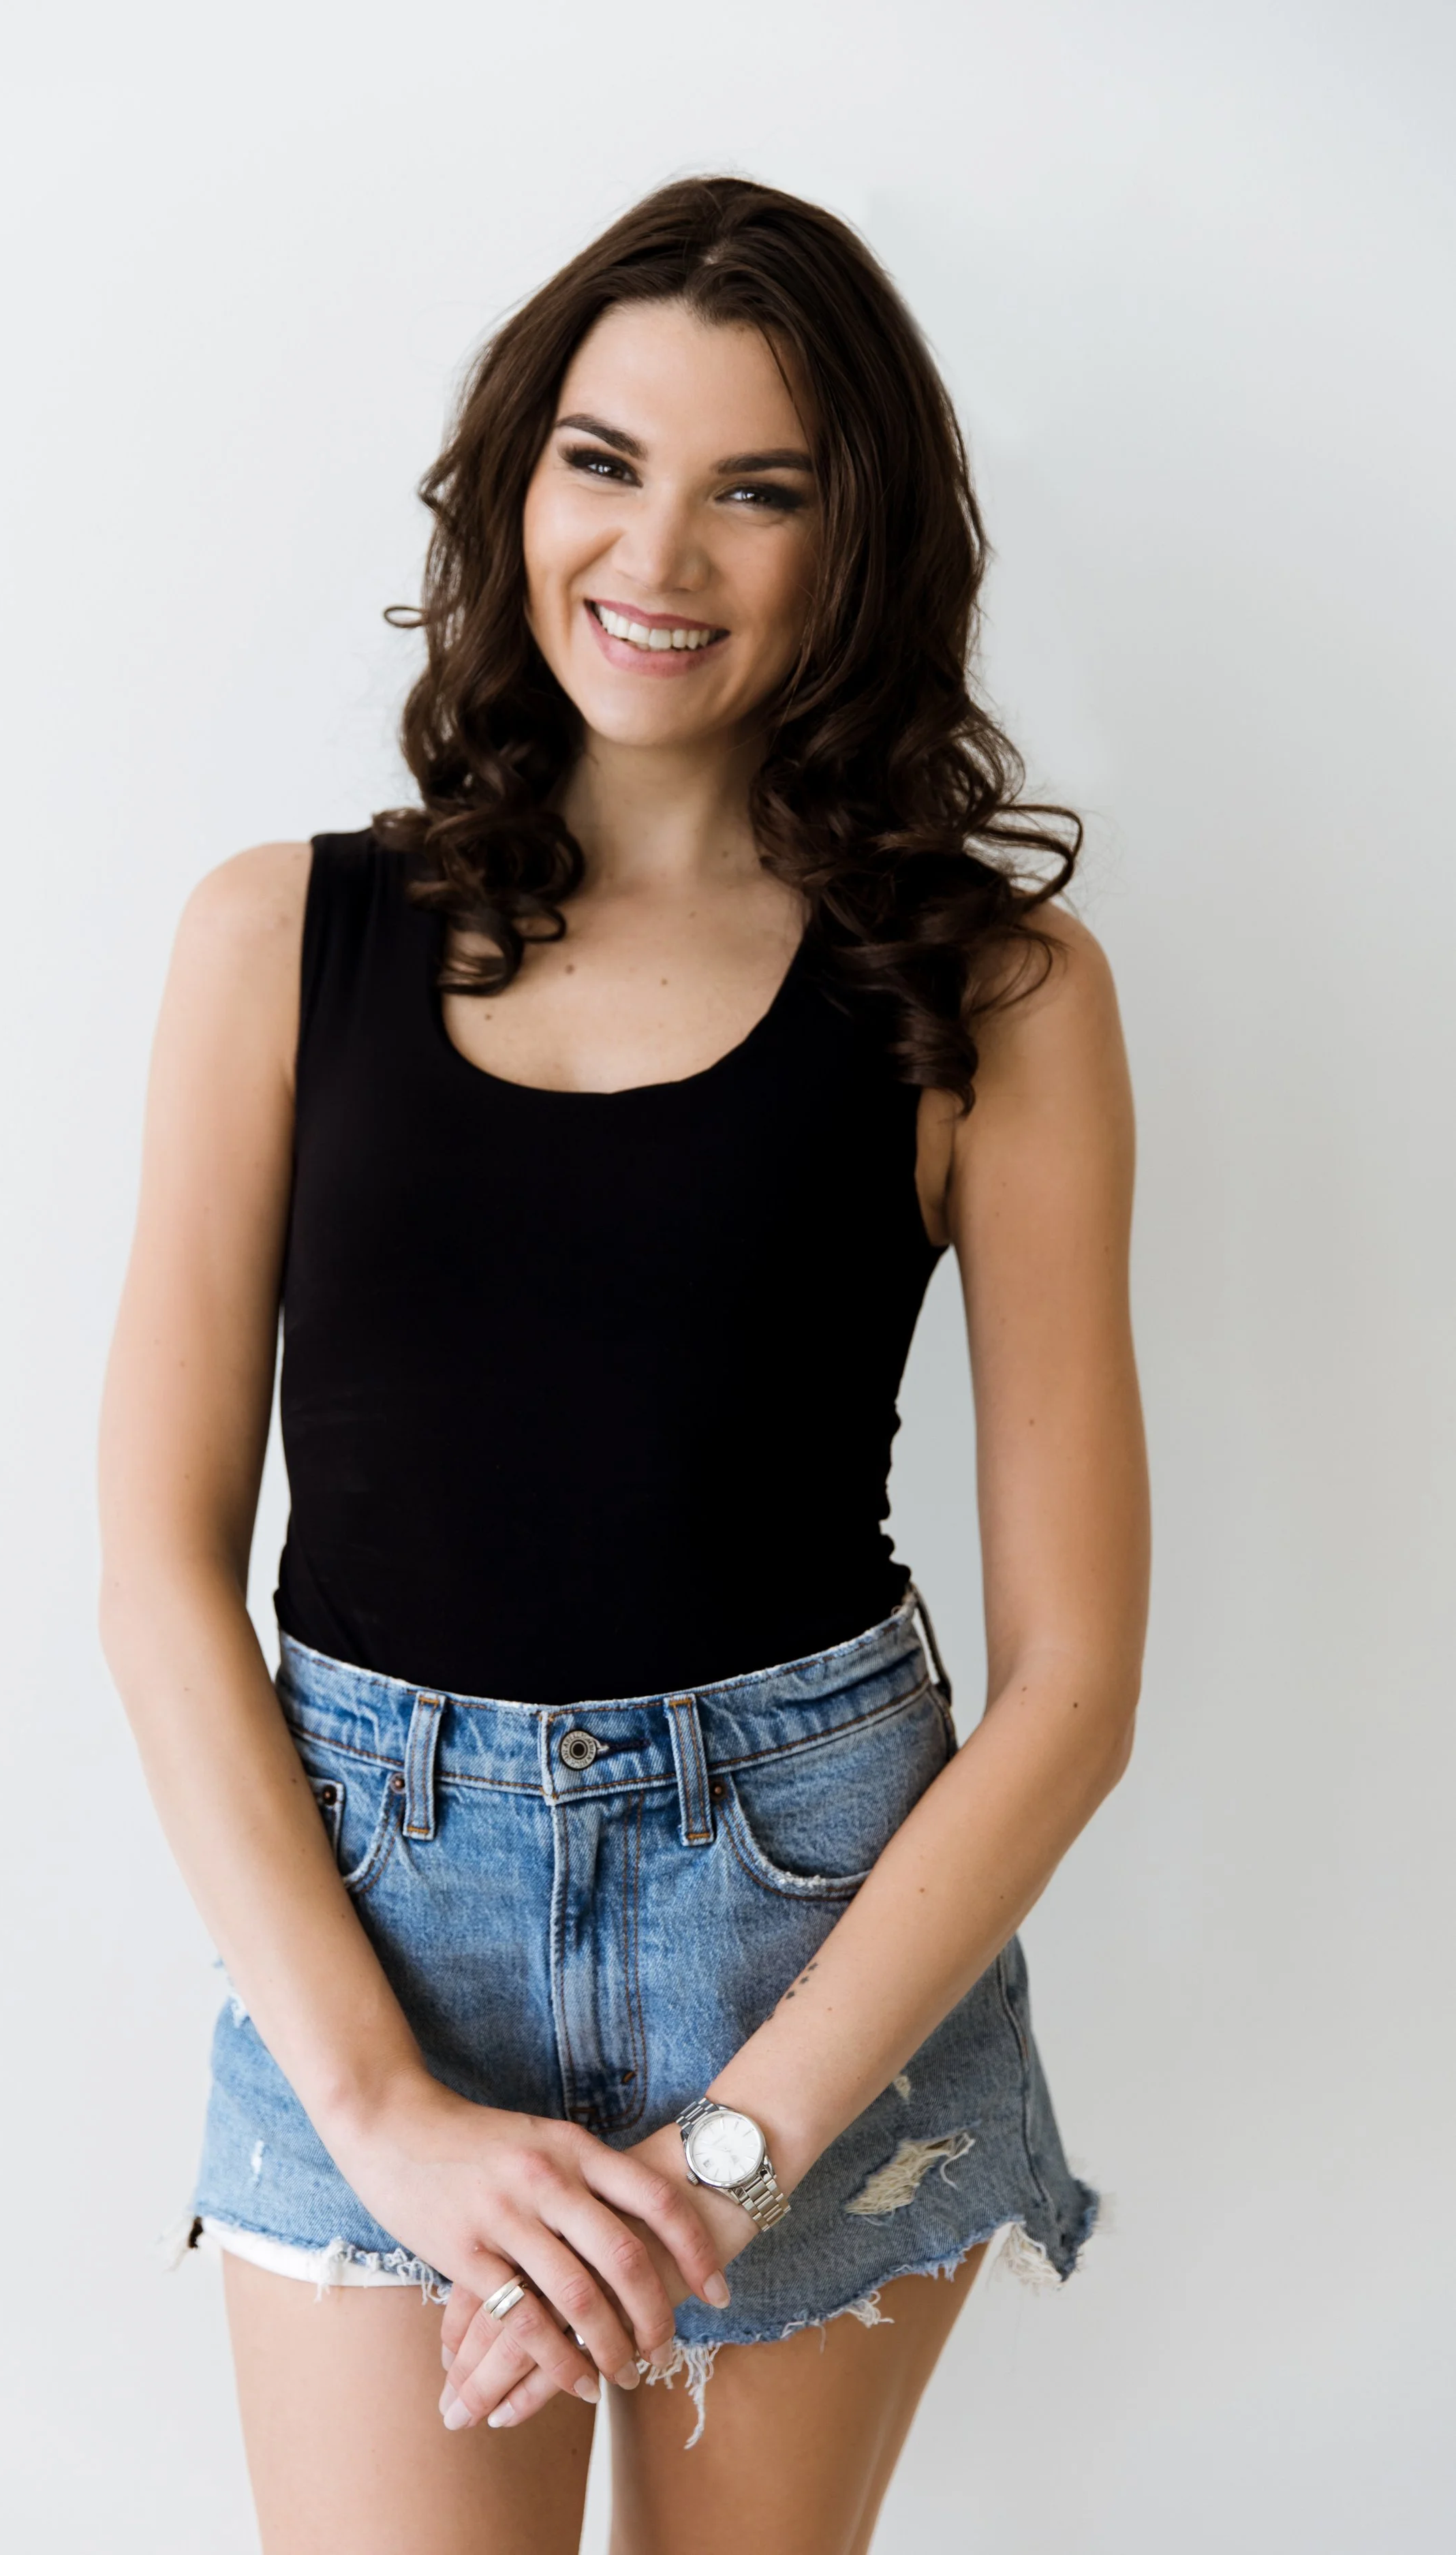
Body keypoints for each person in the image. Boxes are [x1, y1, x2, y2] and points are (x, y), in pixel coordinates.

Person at [98, 174, 1149, 2555]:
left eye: (757, 486)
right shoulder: (279, 938)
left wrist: (730, 2153)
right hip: (369, 1916)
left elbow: (1074, 1679)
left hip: (810, 1926)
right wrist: (372, 2105)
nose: (659, 548)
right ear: (514, 483)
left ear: (853, 539)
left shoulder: (997, 996)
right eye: (605, 458)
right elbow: (158, 1571)